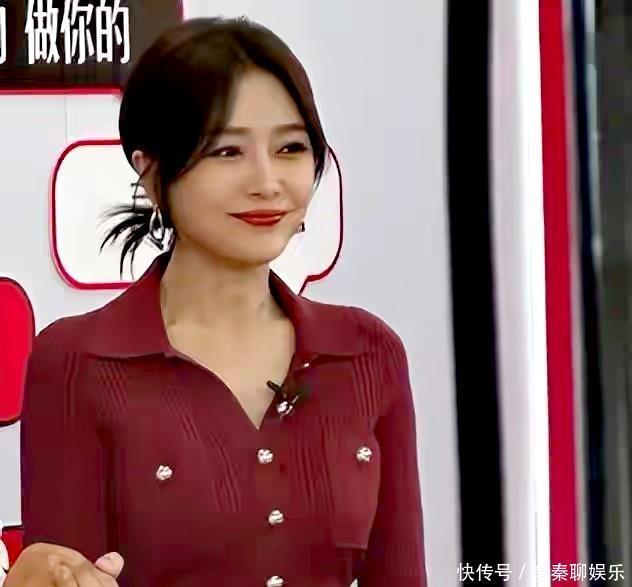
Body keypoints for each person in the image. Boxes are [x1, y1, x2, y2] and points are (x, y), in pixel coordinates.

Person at [6, 16, 427, 587]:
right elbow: (63, 575)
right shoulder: (78, 360)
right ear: (151, 173)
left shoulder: (368, 353)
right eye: (228, 152)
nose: (267, 182)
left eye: (290, 148)